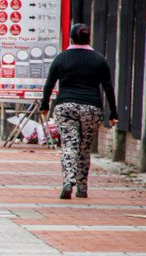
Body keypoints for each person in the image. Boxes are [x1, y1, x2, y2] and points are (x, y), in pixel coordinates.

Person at [40, 23, 118, 199]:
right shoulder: (99, 60)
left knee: (69, 144)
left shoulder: (61, 58)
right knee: (84, 147)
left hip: (65, 106)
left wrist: (44, 105)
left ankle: (68, 180)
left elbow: (49, 84)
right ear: (89, 38)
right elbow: (108, 87)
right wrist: (113, 113)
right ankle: (82, 188)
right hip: (91, 107)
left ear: (71, 37)